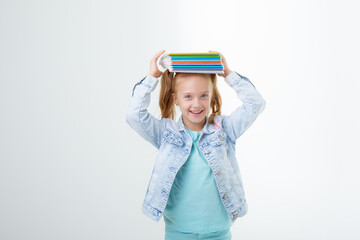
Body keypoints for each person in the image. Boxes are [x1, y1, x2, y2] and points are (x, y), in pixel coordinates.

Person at [126, 49, 266, 240]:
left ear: (211, 96)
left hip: (218, 232)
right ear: (175, 98)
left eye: (204, 96)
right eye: (188, 96)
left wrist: (228, 74)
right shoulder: (167, 134)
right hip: (178, 231)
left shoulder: (224, 130)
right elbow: (134, 116)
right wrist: (153, 76)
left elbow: (255, 104)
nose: (197, 104)